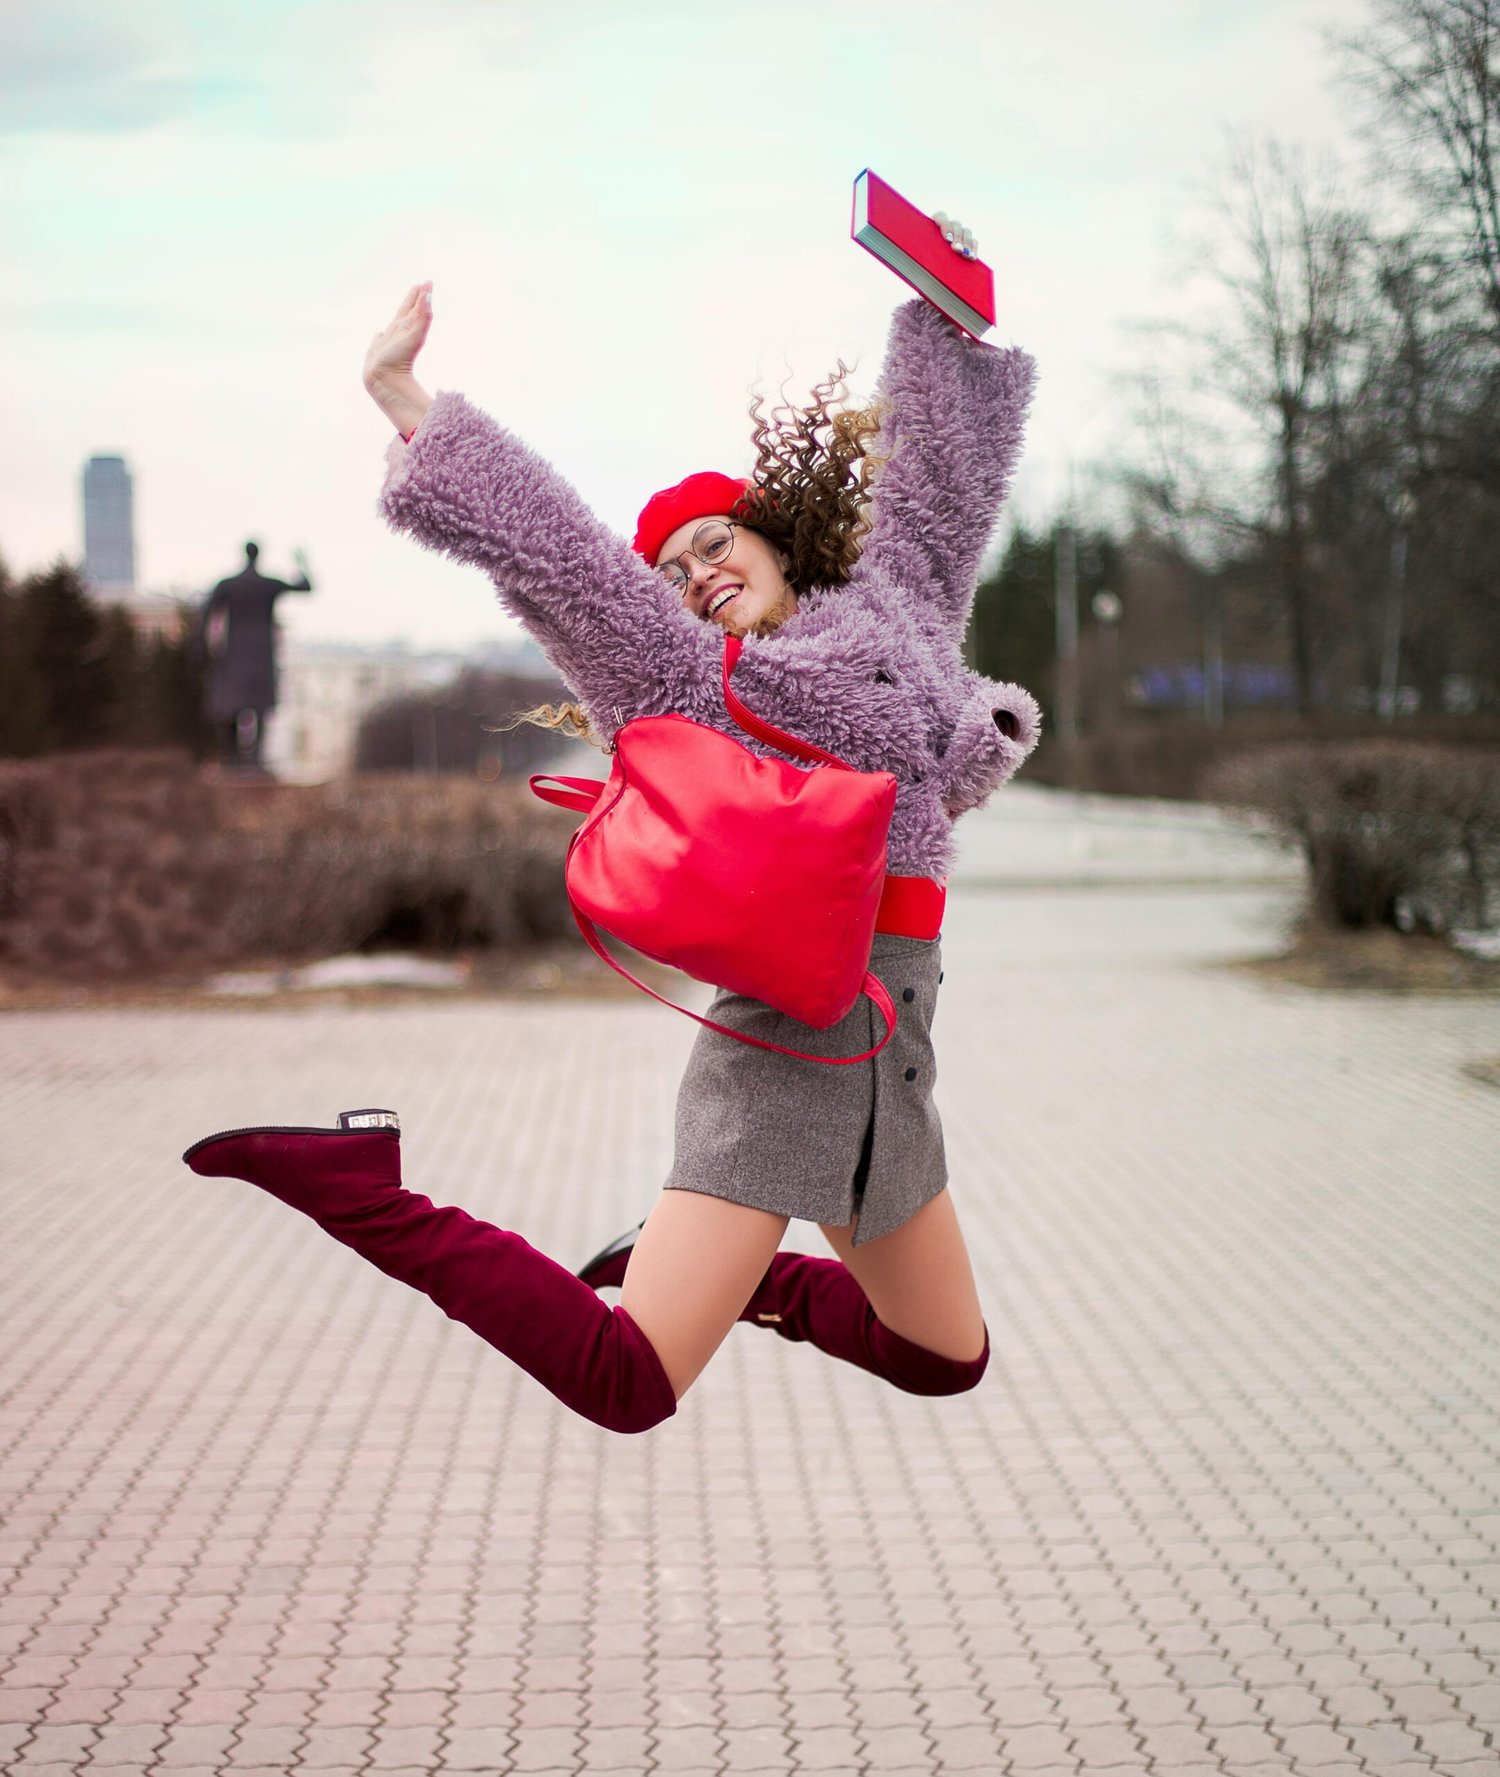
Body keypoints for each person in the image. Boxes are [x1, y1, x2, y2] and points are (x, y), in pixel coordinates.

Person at [183, 215, 1041, 1435]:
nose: (698, 574)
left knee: (943, 1355)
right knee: (626, 1382)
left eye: (714, 543)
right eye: (674, 573)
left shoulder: (898, 607)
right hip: (791, 1051)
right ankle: (367, 1191)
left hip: (895, 1058)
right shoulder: (687, 678)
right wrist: (409, 403)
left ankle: (744, 1282)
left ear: (769, 535)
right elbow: (558, 555)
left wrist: (945, 312)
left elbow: (938, 493)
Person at [197, 541, 314, 771]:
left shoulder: (229, 584)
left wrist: (201, 642)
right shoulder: (267, 584)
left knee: (231, 705)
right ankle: (255, 759)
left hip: (234, 652)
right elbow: (305, 587)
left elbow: (206, 611)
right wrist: (301, 565)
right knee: (259, 707)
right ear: (258, 555)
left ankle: (232, 759)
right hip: (261, 652)